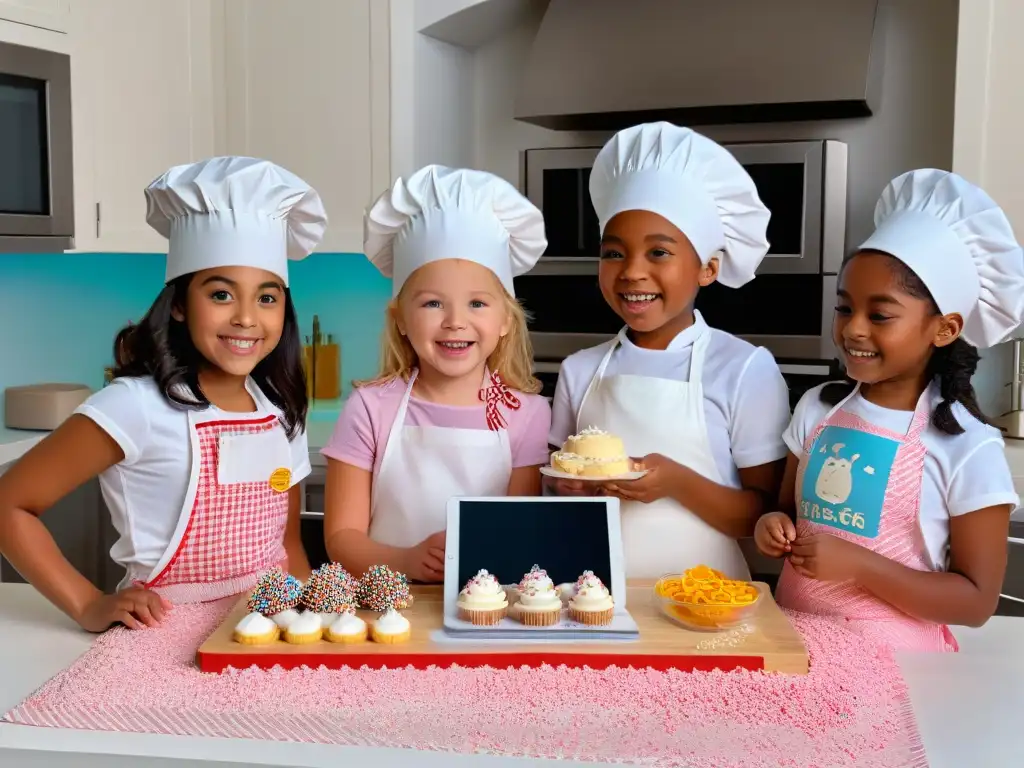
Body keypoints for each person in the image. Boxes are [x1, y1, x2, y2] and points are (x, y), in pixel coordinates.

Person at [0, 156, 326, 632]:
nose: (247, 318)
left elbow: (288, 550)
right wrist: (87, 603)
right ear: (178, 305)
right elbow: (10, 504)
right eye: (220, 295)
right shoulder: (134, 405)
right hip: (160, 640)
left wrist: (308, 623)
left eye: (267, 296)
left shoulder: (279, 409)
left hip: (265, 633)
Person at [755, 168, 1024, 651]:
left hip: (901, 667)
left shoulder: (967, 444)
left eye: (879, 315)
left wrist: (861, 566)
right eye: (844, 308)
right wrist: (770, 526)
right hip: (796, 646)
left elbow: (976, 602)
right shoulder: (817, 408)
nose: (854, 329)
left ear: (944, 329)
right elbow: (785, 512)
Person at [548, 122, 791, 580]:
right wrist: (566, 487)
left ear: (708, 268)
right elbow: (554, 488)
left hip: (708, 601)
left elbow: (764, 516)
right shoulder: (579, 371)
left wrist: (676, 482)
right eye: (614, 254)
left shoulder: (742, 369)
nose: (631, 273)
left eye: (658, 253)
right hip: (589, 594)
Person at [321, 165, 552, 583]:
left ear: (506, 321)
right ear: (401, 319)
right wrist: (407, 561)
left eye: (477, 304)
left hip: (486, 610)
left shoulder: (527, 413)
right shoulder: (372, 407)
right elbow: (341, 536)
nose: (454, 322)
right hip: (385, 610)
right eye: (432, 304)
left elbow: (522, 533)